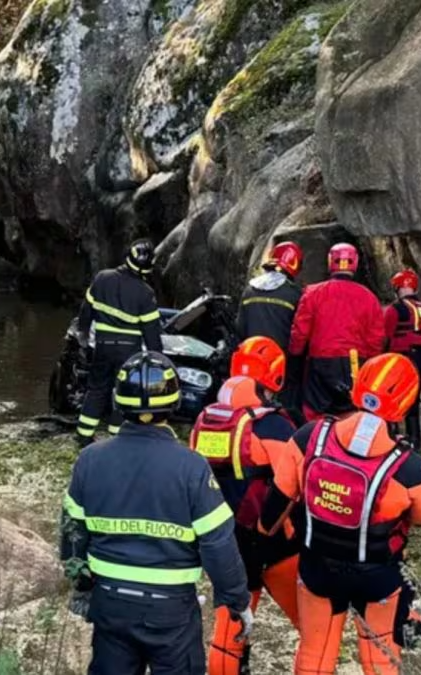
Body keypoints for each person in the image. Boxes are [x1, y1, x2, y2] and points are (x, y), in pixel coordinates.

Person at [61, 350, 252, 675]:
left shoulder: (90, 461)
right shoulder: (191, 467)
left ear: (119, 402)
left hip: (110, 603)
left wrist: (81, 585)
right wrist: (236, 602)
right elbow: (219, 545)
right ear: (174, 403)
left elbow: (71, 535)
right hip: (171, 612)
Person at [258, 353, 421, 675]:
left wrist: (262, 535)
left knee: (314, 655)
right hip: (377, 576)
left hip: (318, 566)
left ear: (359, 388)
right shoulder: (409, 467)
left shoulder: (309, 437)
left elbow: (277, 502)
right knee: (380, 658)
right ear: (406, 402)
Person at [188, 337, 300, 675]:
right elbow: (294, 485)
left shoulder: (204, 420)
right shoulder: (274, 425)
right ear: (274, 377)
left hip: (224, 543)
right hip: (275, 541)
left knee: (227, 633)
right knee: (314, 631)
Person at [75, 240, 164, 445]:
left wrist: (83, 336)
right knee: (122, 391)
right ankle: (118, 436)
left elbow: (85, 313)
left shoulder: (102, 278)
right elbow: (152, 334)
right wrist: (158, 358)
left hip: (103, 346)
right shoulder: (145, 292)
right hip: (128, 351)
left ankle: (83, 434)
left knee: (97, 388)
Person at [288, 243, 384, 422]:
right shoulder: (369, 298)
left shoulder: (312, 293)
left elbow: (300, 332)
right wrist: (369, 366)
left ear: (330, 261)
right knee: (352, 413)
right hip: (354, 363)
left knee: (314, 413)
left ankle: (315, 446)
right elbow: (375, 339)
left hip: (319, 362)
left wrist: (295, 356)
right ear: (355, 263)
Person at [237, 241, 305, 422]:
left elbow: (240, 328)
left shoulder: (249, 290)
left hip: (250, 361)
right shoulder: (295, 294)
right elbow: (300, 333)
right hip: (281, 365)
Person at [384, 269, 421, 450]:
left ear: (397, 288)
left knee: (391, 401)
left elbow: (385, 336)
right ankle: (415, 442)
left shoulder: (395, 309)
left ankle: (390, 440)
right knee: (412, 403)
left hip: (399, 359)